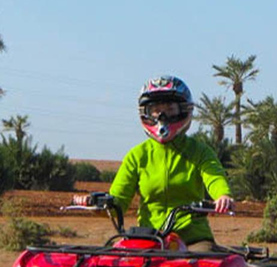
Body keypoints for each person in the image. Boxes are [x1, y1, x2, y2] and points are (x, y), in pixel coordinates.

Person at [74, 75, 234, 251]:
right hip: (147, 239)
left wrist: (222, 196)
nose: (162, 116)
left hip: (192, 239)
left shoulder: (199, 152)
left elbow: (214, 177)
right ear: (145, 113)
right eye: (155, 109)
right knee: (113, 261)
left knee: (203, 264)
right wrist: (94, 203)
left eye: (170, 109)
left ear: (184, 110)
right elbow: (118, 200)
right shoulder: (137, 156)